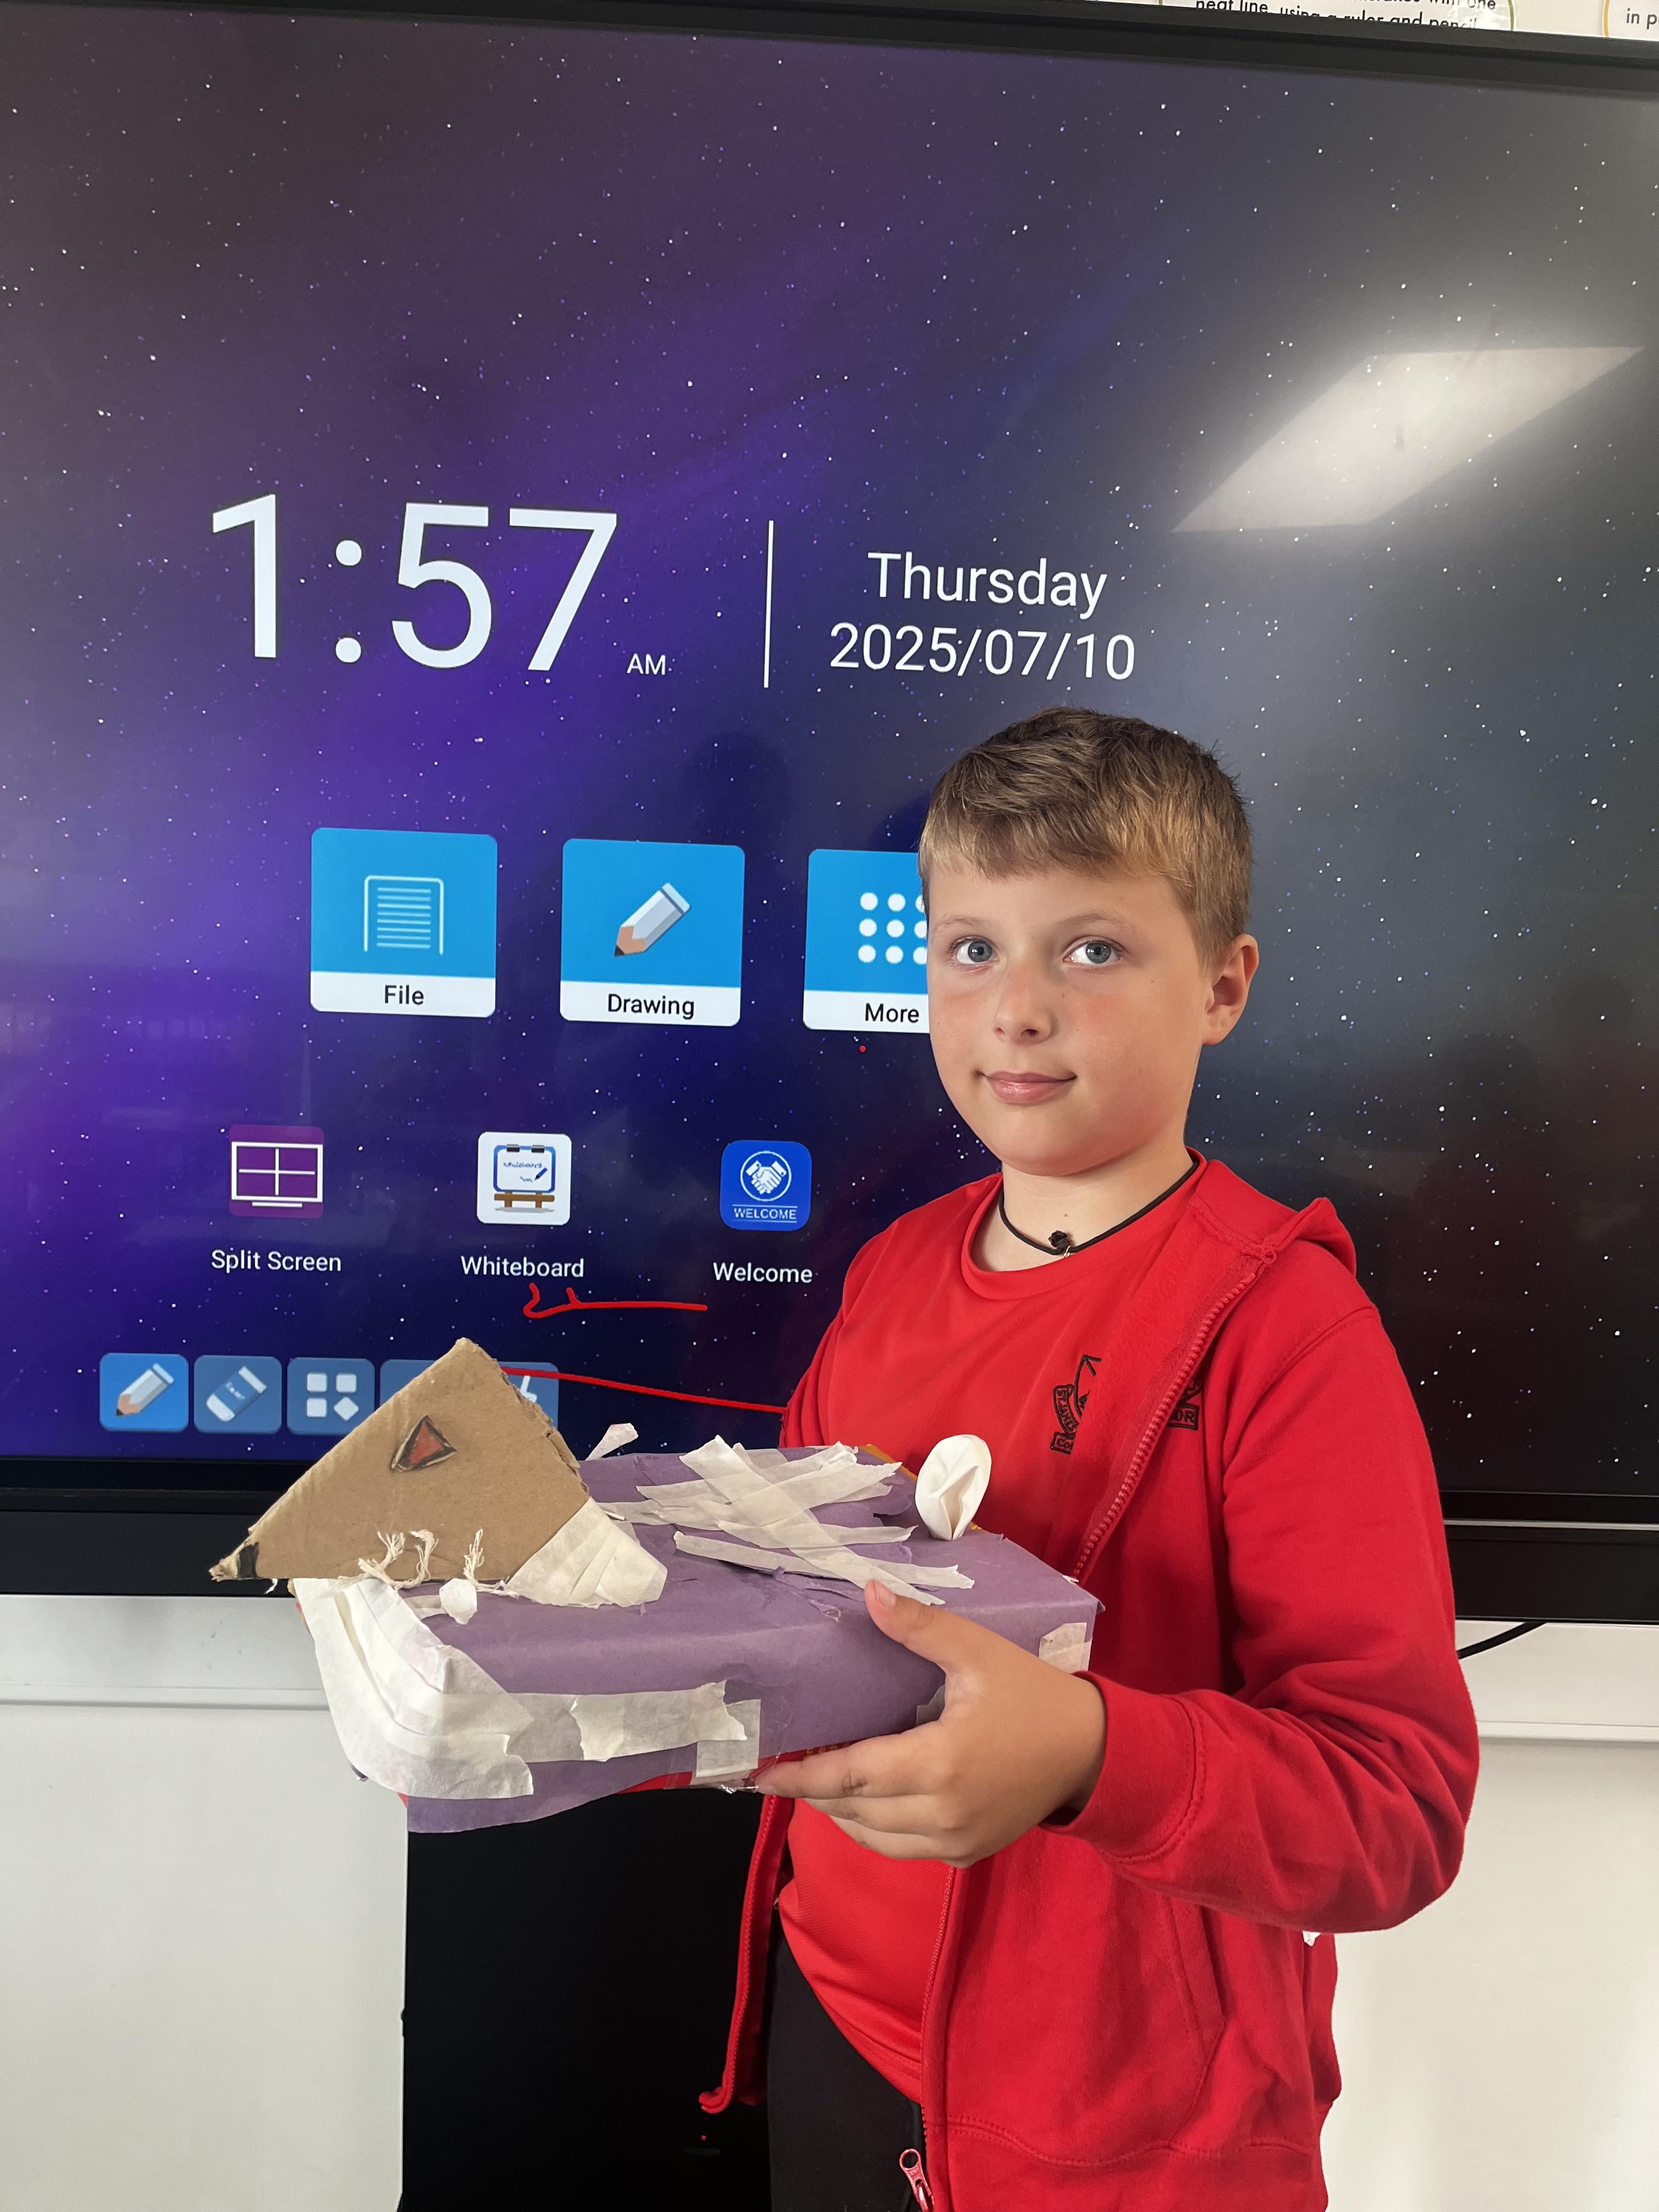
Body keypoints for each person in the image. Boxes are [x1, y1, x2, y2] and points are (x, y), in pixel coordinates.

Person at [701, 709, 1479, 2212]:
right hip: (837, 2024)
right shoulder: (894, 1268)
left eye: (1093, 950)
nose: (1016, 1012)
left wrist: (1087, 1756)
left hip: (1114, 2129)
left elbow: (1393, 1810)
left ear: (1223, 988)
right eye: (970, 949)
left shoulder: (1291, 1336)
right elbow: (799, 1587)